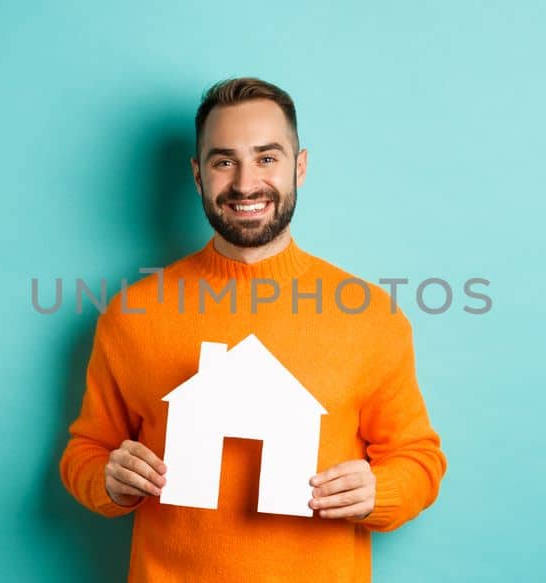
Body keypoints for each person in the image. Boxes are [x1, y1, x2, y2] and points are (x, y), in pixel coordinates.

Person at [59, 76, 446, 582]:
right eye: (224, 161)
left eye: (267, 158)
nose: (245, 184)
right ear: (198, 176)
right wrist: (107, 480)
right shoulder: (131, 313)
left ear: (299, 167)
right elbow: (85, 450)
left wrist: (381, 491)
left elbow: (418, 458)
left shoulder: (370, 314)